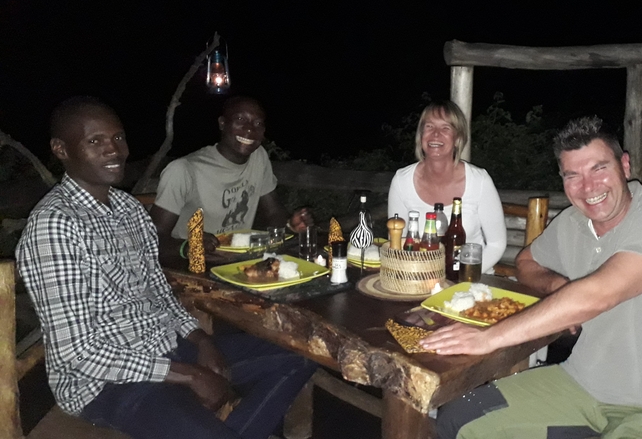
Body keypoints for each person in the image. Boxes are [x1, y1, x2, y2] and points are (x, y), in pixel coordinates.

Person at [16, 96, 317, 439]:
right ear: (61, 149)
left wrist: (201, 339)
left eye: (118, 138)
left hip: (167, 347)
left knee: (298, 358)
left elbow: (158, 289)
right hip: (106, 383)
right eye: (95, 141)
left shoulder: (127, 209)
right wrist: (187, 374)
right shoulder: (55, 226)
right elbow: (79, 353)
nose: (114, 150)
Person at [421, 116, 642, 439]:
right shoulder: (571, 223)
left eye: (599, 168)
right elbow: (526, 261)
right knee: (458, 418)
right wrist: (559, 285)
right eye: (572, 175)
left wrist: (488, 338)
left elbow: (599, 295)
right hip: (580, 385)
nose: (588, 187)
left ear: (625, 167)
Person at [149, 96, 311, 259]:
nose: (249, 129)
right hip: (192, 266)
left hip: (238, 262)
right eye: (240, 119)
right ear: (222, 123)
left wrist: (291, 225)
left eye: (258, 123)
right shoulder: (183, 170)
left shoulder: (258, 157)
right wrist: (189, 247)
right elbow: (152, 238)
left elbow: (273, 212)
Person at [387, 100, 506, 273]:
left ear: (457, 139)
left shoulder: (479, 181)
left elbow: (497, 244)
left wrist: (463, 277)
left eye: (445, 128)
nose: (435, 135)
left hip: (469, 282)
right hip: (417, 279)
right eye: (429, 127)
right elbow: (397, 240)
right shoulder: (401, 181)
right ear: (421, 135)